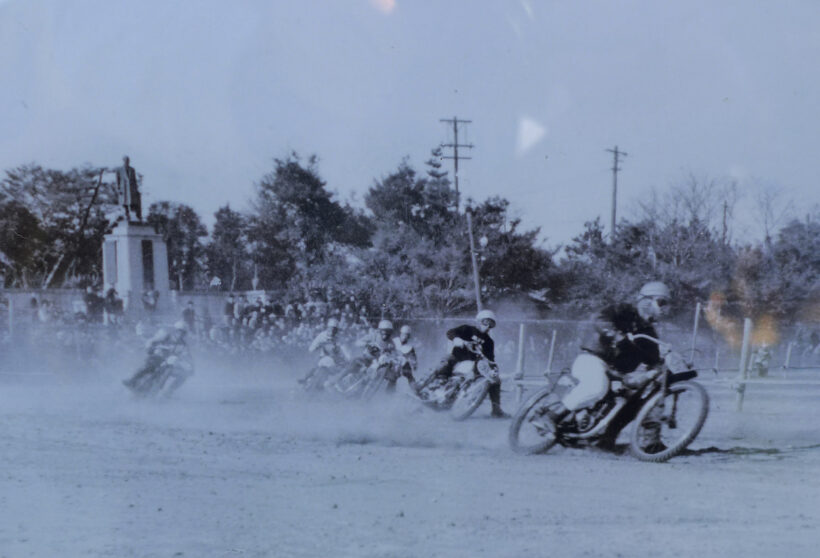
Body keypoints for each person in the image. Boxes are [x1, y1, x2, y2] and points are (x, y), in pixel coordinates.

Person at [546, 281, 671, 451]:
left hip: (615, 373)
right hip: (594, 357)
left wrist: (662, 365)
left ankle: (606, 440)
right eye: (661, 302)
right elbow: (599, 319)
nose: (663, 308)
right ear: (646, 300)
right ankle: (552, 416)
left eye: (666, 304)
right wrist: (615, 335)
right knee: (597, 387)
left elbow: (653, 359)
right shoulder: (624, 311)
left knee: (632, 400)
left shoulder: (649, 333)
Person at [418, 309, 508, 418]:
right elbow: (451, 332)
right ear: (479, 321)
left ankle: (496, 409)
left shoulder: (489, 342)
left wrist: (494, 368)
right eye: (486, 322)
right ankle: (420, 385)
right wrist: (457, 339)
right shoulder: (468, 329)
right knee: (445, 363)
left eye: (491, 324)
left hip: (475, 365)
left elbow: (490, 359)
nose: (488, 326)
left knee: (494, 379)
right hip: (457, 358)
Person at [123, 320, 192, 394]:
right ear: (175, 330)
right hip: (158, 357)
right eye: (179, 331)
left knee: (183, 374)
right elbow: (152, 341)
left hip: (168, 363)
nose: (181, 334)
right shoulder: (166, 336)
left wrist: (190, 366)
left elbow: (187, 356)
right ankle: (132, 380)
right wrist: (151, 347)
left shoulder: (183, 345)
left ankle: (168, 392)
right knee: (148, 366)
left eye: (183, 333)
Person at [300, 317, 351, 386]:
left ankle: (337, 384)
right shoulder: (322, 335)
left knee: (341, 371)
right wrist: (317, 347)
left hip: (336, 359)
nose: (332, 331)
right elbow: (312, 347)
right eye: (330, 329)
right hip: (323, 356)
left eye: (334, 329)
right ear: (327, 328)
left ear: (337, 330)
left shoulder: (339, 338)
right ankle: (305, 378)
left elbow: (346, 350)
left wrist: (348, 359)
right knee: (315, 366)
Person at [388, 324, 419, 393]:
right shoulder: (394, 341)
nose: (404, 337)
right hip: (391, 361)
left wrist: (414, 364)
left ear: (408, 337)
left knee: (409, 375)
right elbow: (387, 348)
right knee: (392, 376)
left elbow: (413, 357)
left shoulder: (409, 347)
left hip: (401, 364)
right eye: (403, 334)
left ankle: (416, 390)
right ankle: (389, 391)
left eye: (407, 335)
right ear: (400, 334)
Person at [114, 155, 142, 221]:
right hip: (123, 189)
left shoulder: (132, 169)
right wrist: (118, 189)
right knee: (125, 203)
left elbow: (134, 180)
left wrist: (136, 189)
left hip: (131, 189)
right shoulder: (119, 169)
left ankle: (133, 215)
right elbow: (117, 180)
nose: (127, 161)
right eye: (126, 160)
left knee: (132, 202)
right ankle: (126, 215)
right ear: (123, 161)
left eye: (128, 160)